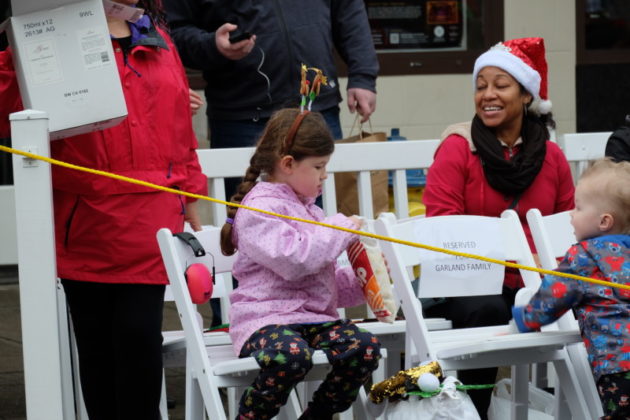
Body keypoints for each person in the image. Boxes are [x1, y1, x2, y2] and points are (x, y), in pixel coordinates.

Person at [0, 1, 207, 418]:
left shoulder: (158, 36)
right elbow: (7, 112)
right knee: (95, 348)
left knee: (138, 337)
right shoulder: (51, 30)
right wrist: (17, 47)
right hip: (85, 218)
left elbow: (179, 133)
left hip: (151, 215)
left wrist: (191, 197)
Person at [422, 37, 575, 417]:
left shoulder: (551, 156)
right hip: (470, 276)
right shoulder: (459, 148)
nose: (487, 94)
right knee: (487, 308)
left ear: (526, 95)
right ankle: (474, 410)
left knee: (590, 303)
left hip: (533, 278)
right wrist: (510, 253)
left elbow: (564, 226)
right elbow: (443, 226)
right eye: (480, 85)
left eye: (500, 85)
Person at [220, 108, 382, 420]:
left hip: (312, 321)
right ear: (288, 165)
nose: (325, 175)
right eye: (319, 166)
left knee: (364, 347)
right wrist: (340, 229)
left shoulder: (312, 213)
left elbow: (325, 284)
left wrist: (367, 280)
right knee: (290, 356)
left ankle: (317, 415)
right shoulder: (258, 211)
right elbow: (296, 261)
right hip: (265, 320)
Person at [512, 158, 630, 420]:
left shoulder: (584, 256)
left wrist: (525, 317)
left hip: (618, 364)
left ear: (604, 221)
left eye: (578, 208)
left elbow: (554, 296)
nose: (570, 214)